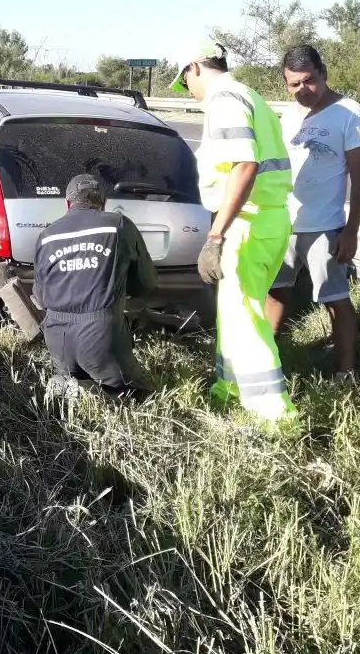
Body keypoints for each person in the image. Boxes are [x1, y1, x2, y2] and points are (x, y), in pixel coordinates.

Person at [169, 39, 295, 421]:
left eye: (184, 82)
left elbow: (244, 166)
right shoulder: (247, 94)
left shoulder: (225, 99)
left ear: (194, 67)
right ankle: (228, 388)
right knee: (234, 310)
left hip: (248, 222)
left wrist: (215, 235)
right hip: (264, 218)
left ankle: (275, 417)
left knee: (246, 317)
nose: (187, 92)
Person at [265, 45, 360, 381]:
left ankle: (346, 372)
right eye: (294, 84)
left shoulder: (349, 113)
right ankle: (266, 367)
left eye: (309, 81)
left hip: (325, 227)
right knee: (275, 293)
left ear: (323, 73)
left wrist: (351, 231)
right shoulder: (289, 115)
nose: (302, 90)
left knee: (335, 300)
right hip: (284, 224)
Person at [32, 173, 157, 398]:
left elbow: (40, 296)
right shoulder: (118, 224)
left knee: (76, 378)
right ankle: (90, 389)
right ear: (103, 203)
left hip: (57, 339)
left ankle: (70, 381)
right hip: (100, 336)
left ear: (67, 203)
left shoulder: (46, 235)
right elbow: (145, 284)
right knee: (136, 395)